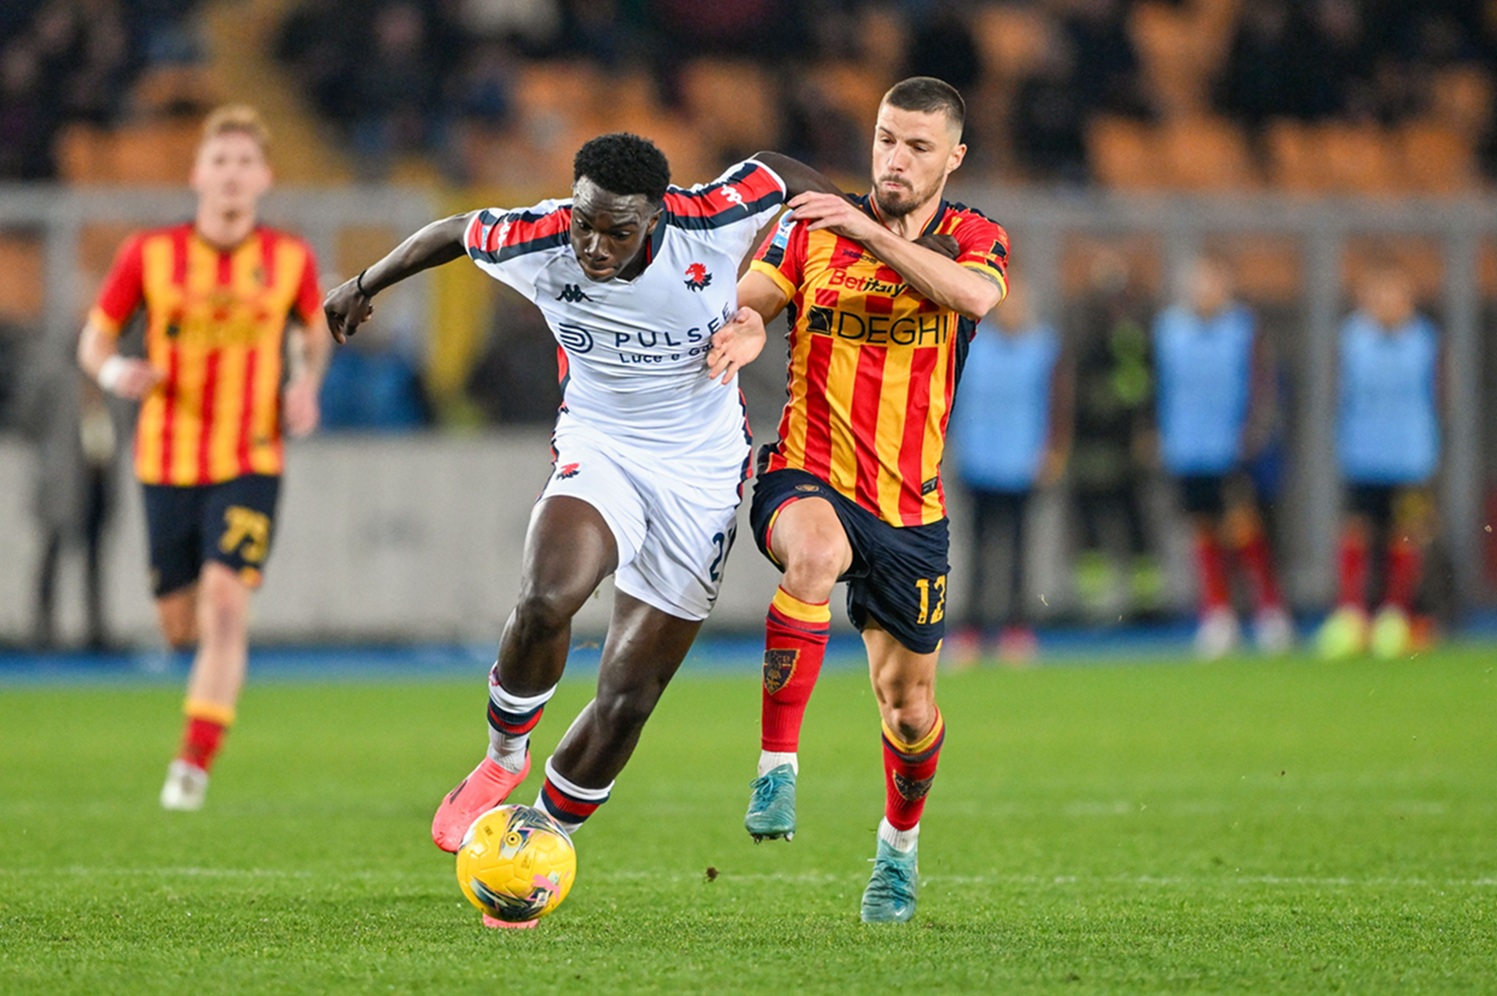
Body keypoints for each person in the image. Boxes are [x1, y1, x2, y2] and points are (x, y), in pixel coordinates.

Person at [322, 132, 855, 928]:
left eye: (618, 231)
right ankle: (503, 760)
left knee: (628, 696)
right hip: (600, 446)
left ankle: (533, 853)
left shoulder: (714, 218)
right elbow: (454, 232)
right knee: (546, 598)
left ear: (659, 219)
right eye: (584, 224)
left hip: (700, 476)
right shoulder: (542, 238)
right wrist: (364, 283)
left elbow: (786, 176)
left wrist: (855, 221)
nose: (594, 246)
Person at [731, 77, 1009, 924]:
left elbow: (972, 297)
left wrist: (869, 236)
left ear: (951, 157)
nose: (895, 157)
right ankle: (777, 767)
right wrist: (741, 326)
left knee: (910, 709)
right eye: (887, 138)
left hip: (909, 509)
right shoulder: (809, 227)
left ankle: (897, 852)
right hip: (807, 473)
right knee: (812, 555)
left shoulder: (975, 237)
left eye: (917, 145)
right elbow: (753, 301)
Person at [77, 104, 330, 810]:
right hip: (165, 460)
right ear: (196, 175)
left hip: (251, 456)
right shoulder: (148, 255)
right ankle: (197, 695)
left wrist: (305, 387)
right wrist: (114, 376)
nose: (231, 175)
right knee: (178, 621)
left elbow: (315, 333)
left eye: (244, 163)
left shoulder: (289, 259)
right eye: (219, 162)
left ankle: (192, 765)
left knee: (226, 603)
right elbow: (93, 340)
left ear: (265, 178)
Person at [1152, 255, 1293, 658]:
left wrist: (1254, 434)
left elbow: (1265, 385)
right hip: (1187, 449)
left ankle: (1269, 613)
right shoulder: (1170, 331)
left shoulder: (1243, 330)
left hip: (1232, 450)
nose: (1203, 292)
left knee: (1246, 531)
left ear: (1225, 287)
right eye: (1196, 283)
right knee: (1203, 532)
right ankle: (1218, 616)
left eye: (1210, 283)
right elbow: (1160, 385)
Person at [1317, 273, 1441, 659]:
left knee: (1406, 533)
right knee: (1356, 530)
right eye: (1379, 293)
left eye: (1394, 293)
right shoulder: (1351, 339)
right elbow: (1338, 393)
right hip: (1363, 455)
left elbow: (1439, 395)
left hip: (1411, 457)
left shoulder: (1425, 341)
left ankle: (1395, 615)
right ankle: (1352, 614)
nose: (1386, 302)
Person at [947, 280, 1071, 665]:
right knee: (977, 551)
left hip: (1021, 463)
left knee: (1018, 549)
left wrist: (1052, 450)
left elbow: (1059, 403)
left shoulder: (1043, 348)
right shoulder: (973, 346)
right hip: (979, 461)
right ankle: (971, 629)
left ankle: (1016, 629)